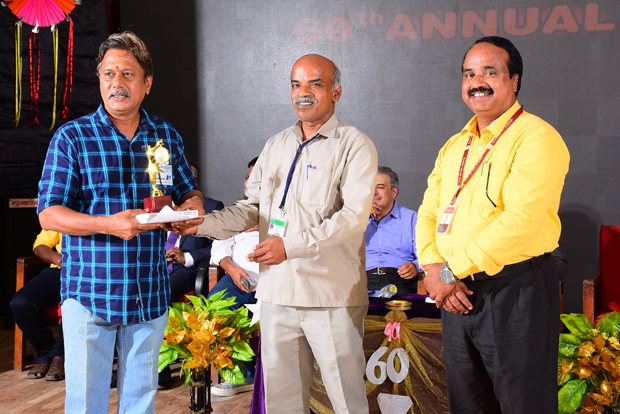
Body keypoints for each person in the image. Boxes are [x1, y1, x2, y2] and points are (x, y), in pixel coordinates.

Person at [176, 54, 377, 414]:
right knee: (282, 404)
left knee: (347, 403)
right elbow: (251, 208)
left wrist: (290, 246)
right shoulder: (276, 144)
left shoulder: (355, 144)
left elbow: (352, 218)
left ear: (336, 92)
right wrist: (199, 224)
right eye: (296, 84)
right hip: (275, 294)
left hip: (330, 296)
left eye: (315, 84)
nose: (303, 92)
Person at [37, 31, 204, 414]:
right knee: (86, 403)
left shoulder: (164, 135)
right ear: (99, 80)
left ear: (147, 83)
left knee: (141, 401)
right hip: (90, 292)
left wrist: (191, 209)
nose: (117, 83)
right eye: (108, 74)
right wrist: (110, 224)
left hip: (149, 293)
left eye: (128, 74)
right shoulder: (72, 138)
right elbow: (49, 213)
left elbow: (188, 191)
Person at [415, 36, 569, 414]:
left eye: (489, 72)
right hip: (456, 294)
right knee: (469, 405)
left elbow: (520, 221)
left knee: (523, 405)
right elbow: (429, 212)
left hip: (515, 291)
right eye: (469, 74)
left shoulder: (536, 137)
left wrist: (448, 272)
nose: (477, 82)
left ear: (514, 80)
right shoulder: (455, 145)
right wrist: (433, 269)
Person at [207, 157, 260, 397]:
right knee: (215, 306)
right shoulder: (238, 211)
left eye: (255, 178)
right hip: (238, 278)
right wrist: (231, 269)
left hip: (277, 280)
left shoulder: (289, 209)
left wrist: (265, 226)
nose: (248, 183)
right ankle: (242, 375)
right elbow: (220, 246)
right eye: (248, 178)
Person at [10, 230, 65, 381]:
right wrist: (59, 260)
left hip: (90, 273)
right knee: (20, 303)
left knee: (73, 304)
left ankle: (60, 355)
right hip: (59, 270)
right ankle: (45, 353)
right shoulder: (61, 217)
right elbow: (40, 246)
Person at [166, 161, 224, 301]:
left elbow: (219, 247)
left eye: (193, 181)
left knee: (165, 288)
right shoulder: (156, 207)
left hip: (185, 269)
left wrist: (187, 257)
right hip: (154, 266)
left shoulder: (211, 207)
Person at [366, 166, 420, 293]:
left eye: (380, 187)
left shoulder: (411, 218)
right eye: (370, 187)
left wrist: (415, 266)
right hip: (363, 282)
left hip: (401, 281)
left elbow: (426, 254)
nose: (374, 192)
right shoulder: (356, 219)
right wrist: (362, 218)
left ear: (394, 192)